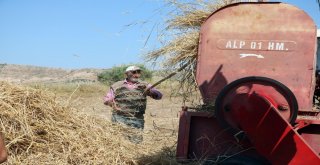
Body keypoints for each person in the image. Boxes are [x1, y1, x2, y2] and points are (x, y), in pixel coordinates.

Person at [103, 65, 162, 143]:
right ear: (126, 74)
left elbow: (159, 96)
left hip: (137, 119)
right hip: (119, 118)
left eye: (139, 72)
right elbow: (107, 100)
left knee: (136, 143)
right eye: (134, 72)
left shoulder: (145, 85)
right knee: (119, 142)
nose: (136, 75)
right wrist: (111, 104)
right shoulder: (117, 85)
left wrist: (151, 92)